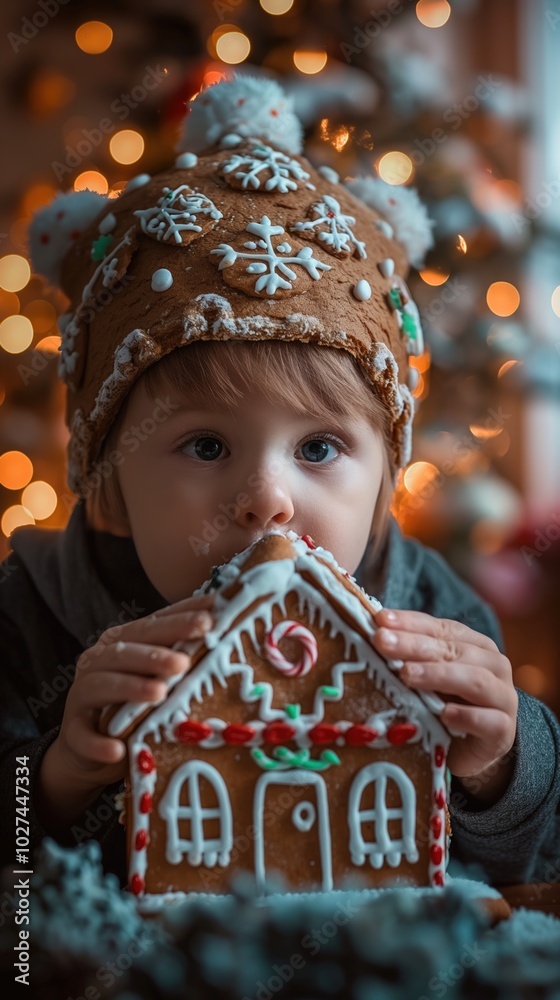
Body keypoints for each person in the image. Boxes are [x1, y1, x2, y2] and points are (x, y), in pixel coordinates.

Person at [1, 74, 559, 893]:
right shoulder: (30, 614)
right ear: (110, 478)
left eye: (321, 448)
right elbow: (16, 904)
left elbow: (520, 875)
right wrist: (55, 778)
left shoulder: (430, 615)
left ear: (384, 482)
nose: (268, 499)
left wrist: (501, 771)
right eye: (203, 445)